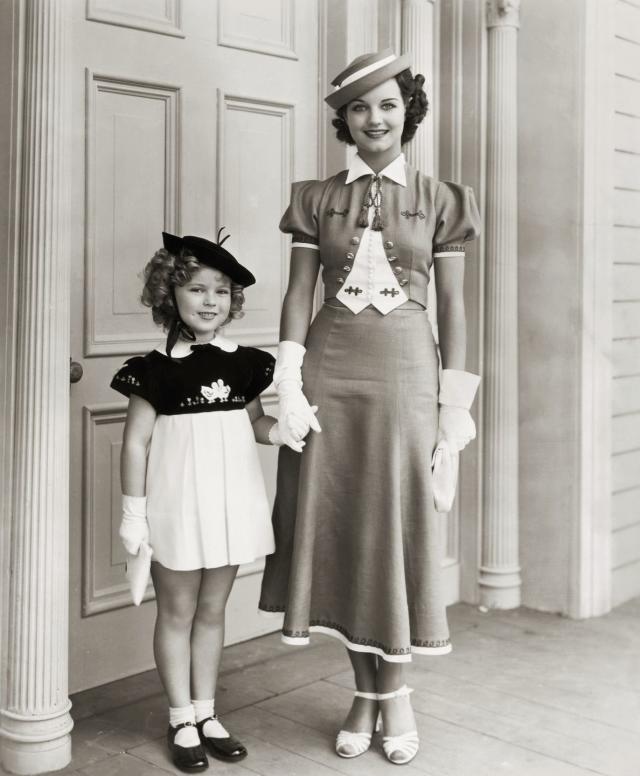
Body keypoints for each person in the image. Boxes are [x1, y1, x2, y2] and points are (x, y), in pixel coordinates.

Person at [259, 49, 481, 766]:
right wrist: (288, 379)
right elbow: (299, 293)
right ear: (344, 121)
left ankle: (396, 697)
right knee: (341, 522)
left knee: (395, 522)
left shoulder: (444, 198)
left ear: (406, 112)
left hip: (408, 370)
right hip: (329, 366)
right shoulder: (317, 197)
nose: (373, 119)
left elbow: (452, 306)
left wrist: (452, 408)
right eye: (358, 108)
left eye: (386, 105)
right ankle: (366, 695)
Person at [111, 231, 301, 773]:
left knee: (213, 611)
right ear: (169, 295)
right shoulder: (154, 368)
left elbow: (256, 424)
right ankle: (180, 718)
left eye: (222, 291)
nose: (211, 300)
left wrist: (282, 430)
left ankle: (207, 712)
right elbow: (136, 442)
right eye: (197, 289)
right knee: (177, 611)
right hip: (177, 504)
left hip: (230, 501)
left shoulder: (244, 364)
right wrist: (133, 512)